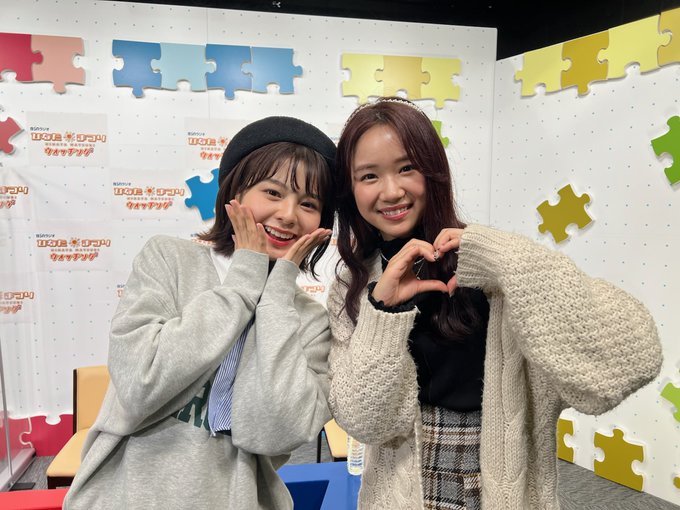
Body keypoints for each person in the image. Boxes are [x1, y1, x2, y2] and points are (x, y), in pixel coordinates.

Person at [326, 97, 663, 510]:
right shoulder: (354, 285)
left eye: (407, 167)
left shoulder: (492, 268)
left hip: (503, 488)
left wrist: (505, 259)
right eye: (369, 176)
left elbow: (633, 359)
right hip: (398, 494)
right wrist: (384, 311)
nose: (392, 191)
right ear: (351, 189)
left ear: (433, 170)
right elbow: (365, 424)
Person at [64, 116, 337, 509]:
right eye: (273, 192)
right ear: (235, 192)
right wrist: (243, 281)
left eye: (309, 204)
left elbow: (273, 434)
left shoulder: (310, 320)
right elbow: (141, 385)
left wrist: (276, 296)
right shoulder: (169, 260)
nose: (289, 214)